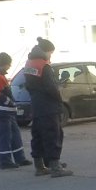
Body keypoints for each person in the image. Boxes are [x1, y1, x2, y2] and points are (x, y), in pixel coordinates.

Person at [23, 37, 72, 177]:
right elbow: (51, 87)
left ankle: (40, 166)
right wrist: (59, 99)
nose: (51, 56)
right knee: (53, 135)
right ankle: (55, 166)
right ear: (46, 51)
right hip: (49, 106)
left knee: (37, 135)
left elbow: (29, 85)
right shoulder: (44, 66)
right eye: (50, 52)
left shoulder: (29, 64)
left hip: (36, 105)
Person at [0, 52, 32, 169]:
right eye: (9, 64)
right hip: (4, 111)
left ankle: (19, 158)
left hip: (7, 111)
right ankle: (5, 161)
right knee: (6, 136)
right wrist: (10, 103)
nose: (9, 67)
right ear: (5, 64)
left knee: (15, 135)